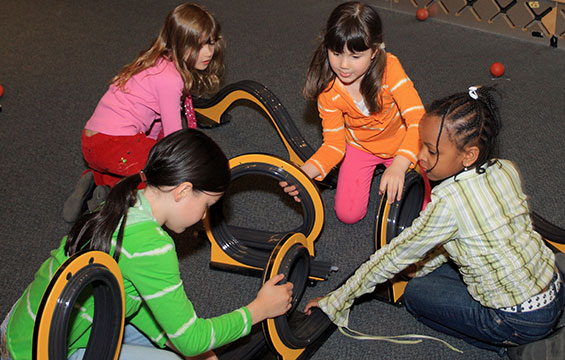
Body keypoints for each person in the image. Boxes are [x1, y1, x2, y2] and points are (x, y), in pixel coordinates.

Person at [303, 86, 564, 357]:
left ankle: (512, 346)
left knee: (415, 296)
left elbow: (392, 257)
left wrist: (335, 302)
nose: (420, 157)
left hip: (518, 321)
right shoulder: (505, 168)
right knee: (432, 269)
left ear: (469, 155)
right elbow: (474, 237)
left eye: (431, 150)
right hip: (554, 288)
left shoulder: (448, 202)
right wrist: (425, 265)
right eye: (421, 145)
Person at [1, 129, 294, 360]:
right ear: (183, 191)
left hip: (20, 329)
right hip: (38, 352)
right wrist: (258, 309)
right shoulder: (152, 246)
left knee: (175, 342)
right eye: (207, 205)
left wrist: (177, 343)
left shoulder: (120, 205)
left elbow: (136, 300)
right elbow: (193, 339)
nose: (205, 216)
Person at [63, 2, 225, 223]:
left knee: (142, 155)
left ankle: (96, 179)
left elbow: (156, 123)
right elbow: (173, 137)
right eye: (199, 46)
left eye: (211, 42)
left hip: (92, 142)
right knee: (157, 179)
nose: (208, 52)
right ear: (178, 44)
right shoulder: (170, 80)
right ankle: (112, 201)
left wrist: (150, 148)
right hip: (115, 144)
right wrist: (190, 166)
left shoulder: (157, 62)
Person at [281, 1, 425, 224]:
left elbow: (417, 119)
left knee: (423, 209)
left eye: (355, 56)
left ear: (375, 51)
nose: (344, 65)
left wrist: (400, 163)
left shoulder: (390, 69)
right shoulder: (328, 91)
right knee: (348, 215)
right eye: (336, 53)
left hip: (400, 142)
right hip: (361, 146)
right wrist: (305, 173)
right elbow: (333, 145)